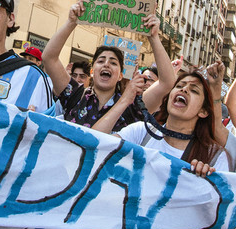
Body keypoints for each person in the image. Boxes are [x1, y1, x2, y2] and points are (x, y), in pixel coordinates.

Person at [43, 1, 172, 131]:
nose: (106, 64)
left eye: (113, 63)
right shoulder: (75, 95)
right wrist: (71, 23)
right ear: (92, 72)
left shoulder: (132, 107)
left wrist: (153, 37)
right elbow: (49, 58)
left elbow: (167, 83)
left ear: (121, 75)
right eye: (101, 61)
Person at [93, 70, 227, 175]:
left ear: (203, 111)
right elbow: (92, 144)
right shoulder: (141, 132)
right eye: (179, 85)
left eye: (194, 90)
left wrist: (205, 180)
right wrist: (125, 100)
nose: (184, 89)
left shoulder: (215, 157)